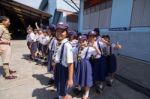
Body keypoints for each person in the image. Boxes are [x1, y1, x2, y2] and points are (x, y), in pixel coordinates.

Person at [74, 35, 100, 99]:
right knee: (79, 77)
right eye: (80, 41)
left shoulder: (89, 49)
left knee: (86, 78)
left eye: (83, 41)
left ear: (86, 41)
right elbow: (73, 54)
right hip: (79, 65)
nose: (82, 43)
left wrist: (95, 48)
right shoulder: (77, 48)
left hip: (86, 65)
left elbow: (98, 55)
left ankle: (86, 93)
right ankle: (79, 89)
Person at [52, 22, 74, 99]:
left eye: (62, 31)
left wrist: (70, 79)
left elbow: (71, 63)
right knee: (59, 85)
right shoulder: (59, 42)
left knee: (63, 88)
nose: (59, 33)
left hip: (63, 70)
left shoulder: (67, 45)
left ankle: (64, 97)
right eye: (58, 31)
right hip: (58, 67)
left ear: (67, 33)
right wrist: (54, 66)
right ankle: (60, 97)